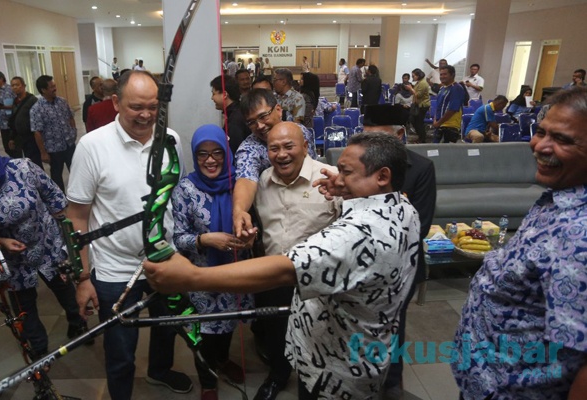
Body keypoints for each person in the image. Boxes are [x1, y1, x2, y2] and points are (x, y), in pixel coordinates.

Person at [145, 131, 421, 399]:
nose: (338, 178)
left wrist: (191, 277)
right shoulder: (404, 208)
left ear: (382, 176)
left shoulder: (357, 235)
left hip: (335, 370)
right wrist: (349, 189)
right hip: (362, 352)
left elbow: (285, 267)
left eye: (346, 172)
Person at [454, 87, 587, 399]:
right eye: (541, 132)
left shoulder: (579, 235)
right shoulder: (558, 199)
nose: (541, 146)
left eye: (563, 140)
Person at [66, 70, 192, 400]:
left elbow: (173, 199)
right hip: (114, 269)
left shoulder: (171, 140)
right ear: (116, 103)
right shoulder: (92, 146)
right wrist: (82, 277)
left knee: (168, 325)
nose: (147, 114)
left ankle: (159, 371)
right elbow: (76, 215)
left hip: (163, 258)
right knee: (121, 344)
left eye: (153, 106)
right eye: (137, 106)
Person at [0, 136, 88, 359]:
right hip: (13, 261)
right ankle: (38, 347)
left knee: (64, 288)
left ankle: (78, 322)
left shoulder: (22, 168)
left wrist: (70, 241)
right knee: (24, 305)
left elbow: (54, 197)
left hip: (47, 244)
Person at [252, 121, 341, 400]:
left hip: (316, 282)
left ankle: (311, 385)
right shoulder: (262, 181)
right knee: (275, 334)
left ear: (305, 147)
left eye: (289, 146)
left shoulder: (331, 178)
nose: (281, 154)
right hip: (274, 276)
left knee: (315, 341)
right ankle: (278, 374)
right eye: (274, 148)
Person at [359, 105, 436, 399]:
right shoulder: (359, 164)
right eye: (367, 139)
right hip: (362, 265)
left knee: (393, 328)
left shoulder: (421, 168)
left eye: (378, 141)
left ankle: (392, 381)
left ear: (399, 135)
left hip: (400, 269)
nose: (371, 148)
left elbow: (422, 225)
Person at [172, 124, 252, 400]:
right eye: (203, 153)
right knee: (203, 332)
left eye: (217, 152)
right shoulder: (185, 189)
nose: (210, 160)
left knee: (228, 324)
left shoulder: (240, 186)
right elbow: (176, 237)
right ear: (195, 156)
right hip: (201, 276)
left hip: (234, 272)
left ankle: (222, 361)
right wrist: (205, 240)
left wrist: (251, 236)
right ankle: (208, 380)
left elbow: (256, 222)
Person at [232, 89, 318, 241]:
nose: (259, 126)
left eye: (263, 116)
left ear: (278, 110)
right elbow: (246, 179)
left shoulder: (301, 132)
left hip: (309, 211)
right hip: (275, 221)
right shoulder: (249, 149)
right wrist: (239, 210)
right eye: (252, 122)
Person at [30, 75, 77, 193]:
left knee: (77, 171)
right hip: (54, 149)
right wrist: (43, 153)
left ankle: (79, 195)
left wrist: (73, 132)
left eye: (54, 86)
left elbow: (71, 117)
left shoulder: (62, 101)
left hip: (69, 144)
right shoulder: (37, 109)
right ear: (43, 90)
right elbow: (37, 132)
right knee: (56, 175)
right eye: (51, 87)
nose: (55, 88)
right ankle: (61, 200)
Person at [209, 75, 249, 154]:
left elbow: (235, 150)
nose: (212, 98)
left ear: (224, 94)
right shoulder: (236, 112)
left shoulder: (235, 120)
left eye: (213, 94)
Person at [9, 76, 41, 167]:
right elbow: (13, 120)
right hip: (19, 137)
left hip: (31, 138)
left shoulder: (32, 100)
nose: (15, 87)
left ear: (23, 86)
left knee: (35, 162)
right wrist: (11, 138)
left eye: (17, 85)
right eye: (12, 85)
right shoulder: (15, 101)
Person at [0, 71, 20, 158]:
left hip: (12, 125)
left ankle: (20, 165)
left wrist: (1, 106)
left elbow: (17, 105)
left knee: (15, 148)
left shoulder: (11, 89)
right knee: (7, 148)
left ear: (1, 79)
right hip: (2, 125)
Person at [432, 65, 465, 143]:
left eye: (445, 74)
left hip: (450, 126)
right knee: (434, 151)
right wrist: (435, 121)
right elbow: (438, 106)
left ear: (452, 75)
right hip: (439, 124)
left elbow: (453, 109)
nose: (442, 76)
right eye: (441, 74)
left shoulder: (457, 88)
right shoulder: (442, 88)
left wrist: (438, 123)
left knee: (444, 152)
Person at [410, 68, 431, 143]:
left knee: (419, 123)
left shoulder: (422, 83)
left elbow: (418, 95)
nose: (413, 77)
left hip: (422, 105)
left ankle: (422, 138)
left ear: (418, 75)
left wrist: (411, 89)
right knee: (414, 121)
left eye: (413, 76)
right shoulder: (419, 82)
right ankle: (421, 137)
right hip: (418, 104)